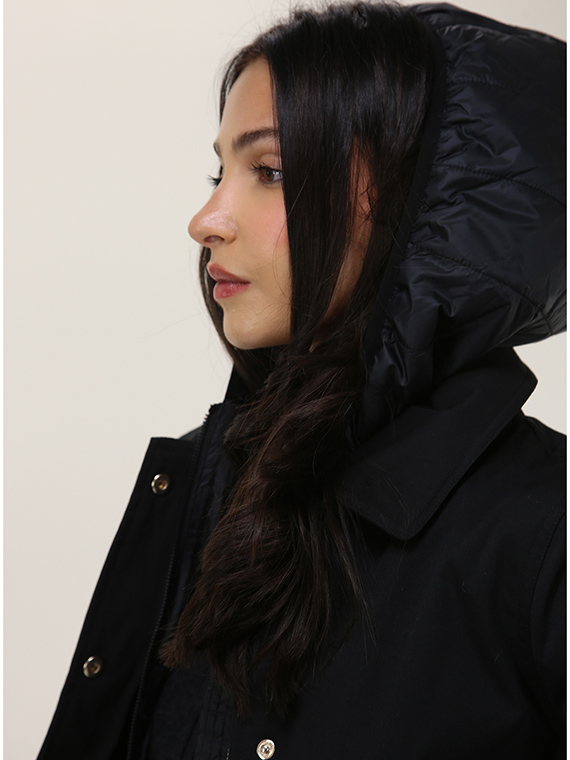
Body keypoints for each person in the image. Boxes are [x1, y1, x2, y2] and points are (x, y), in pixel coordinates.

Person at [37, 2, 565, 759]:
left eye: (270, 171)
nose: (206, 219)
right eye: (220, 172)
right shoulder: (204, 485)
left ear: (417, 199)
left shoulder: (543, 531)